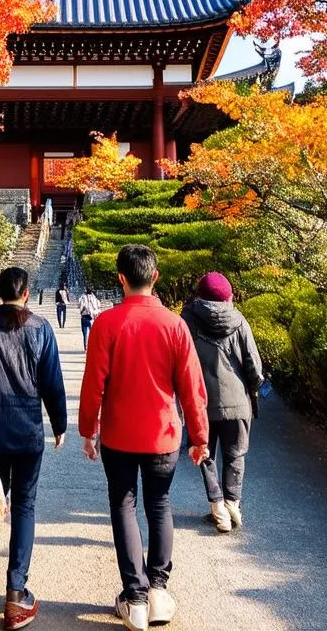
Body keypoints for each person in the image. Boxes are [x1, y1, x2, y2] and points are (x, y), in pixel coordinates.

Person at [79, 244, 208, 631]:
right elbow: (192, 388)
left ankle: (134, 597)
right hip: (164, 435)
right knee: (160, 505)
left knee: (123, 506)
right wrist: (199, 436)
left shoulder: (107, 324)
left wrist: (88, 431)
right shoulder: (174, 325)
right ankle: (159, 591)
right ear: (155, 277)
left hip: (119, 435)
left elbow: (93, 386)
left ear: (121, 278)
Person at [0, 266, 67, 631]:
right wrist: (60, 424)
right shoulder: (40, 329)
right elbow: (52, 383)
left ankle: (13, 580)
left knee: (7, 490)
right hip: (27, 429)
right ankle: (15, 591)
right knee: (25, 504)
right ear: (26, 292)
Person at [181, 272, 263, 533]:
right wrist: (255, 387)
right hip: (237, 401)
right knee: (236, 453)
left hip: (202, 402)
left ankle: (217, 505)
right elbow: (254, 366)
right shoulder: (239, 320)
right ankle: (232, 502)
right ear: (228, 295)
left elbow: (181, 360)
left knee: (204, 452)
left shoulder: (188, 319)